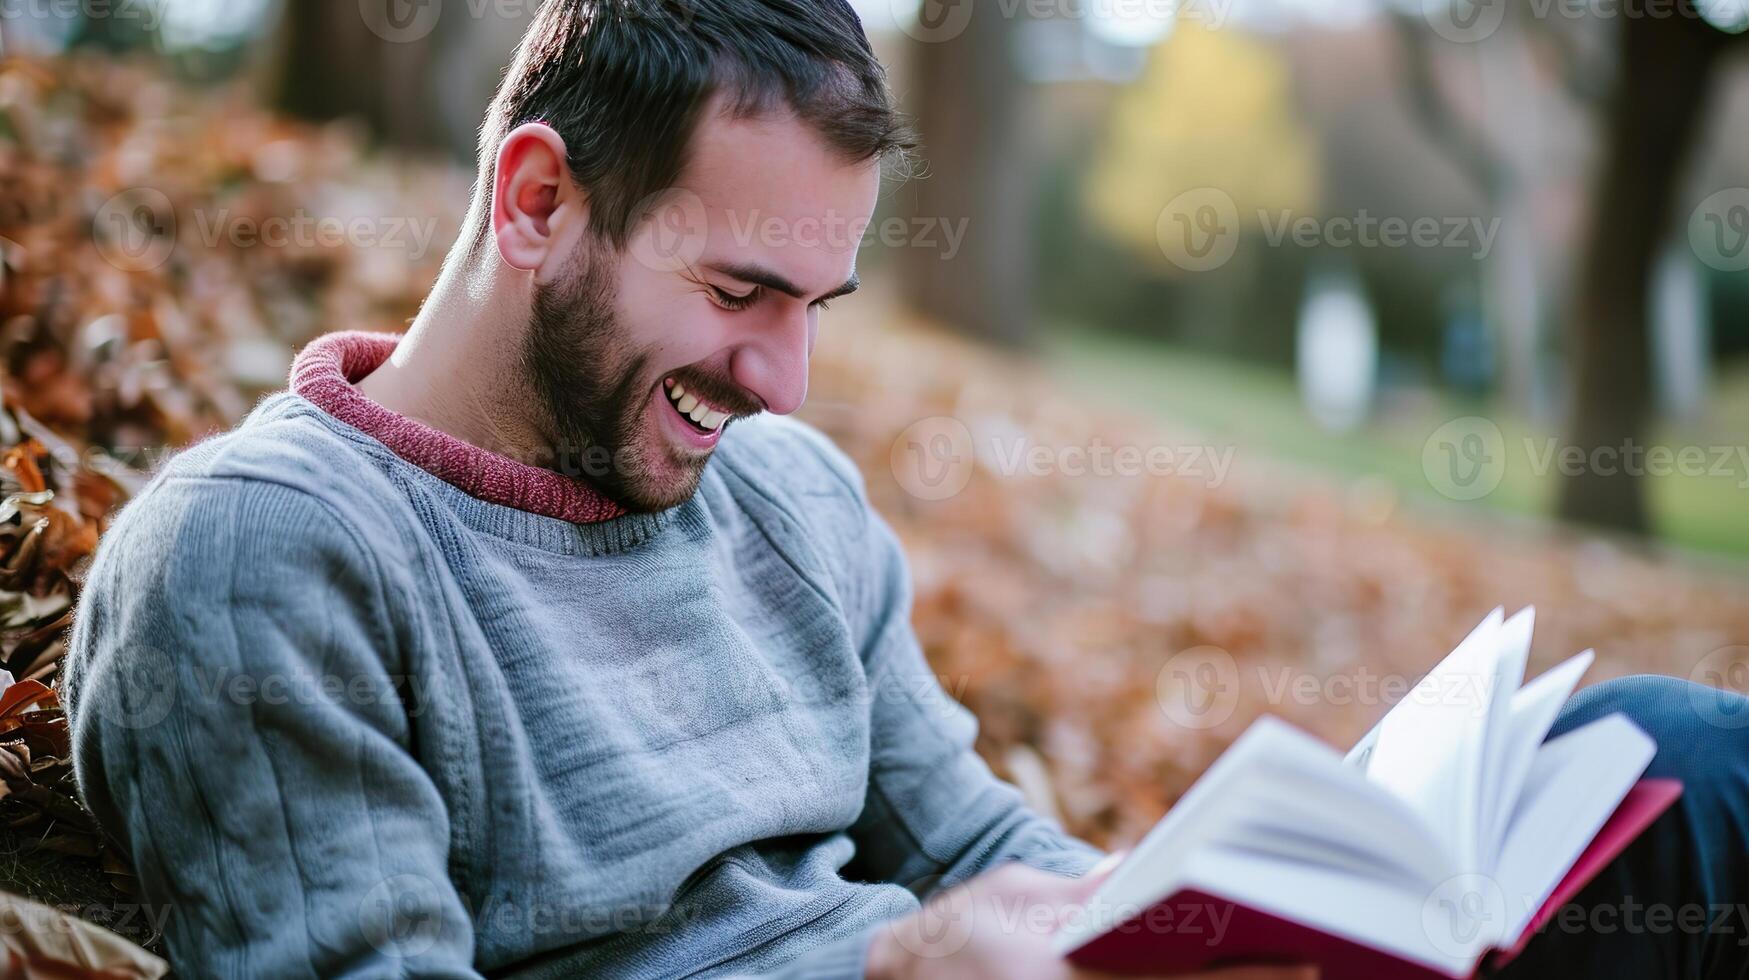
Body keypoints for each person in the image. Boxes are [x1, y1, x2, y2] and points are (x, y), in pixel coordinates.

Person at [62, 1, 1748, 977]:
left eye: (817, 308)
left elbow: (975, 834)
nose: (783, 385)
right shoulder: (263, 560)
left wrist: (1191, 911)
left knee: (1656, 760)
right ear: (532, 202)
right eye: (738, 296)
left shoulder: (784, 500)